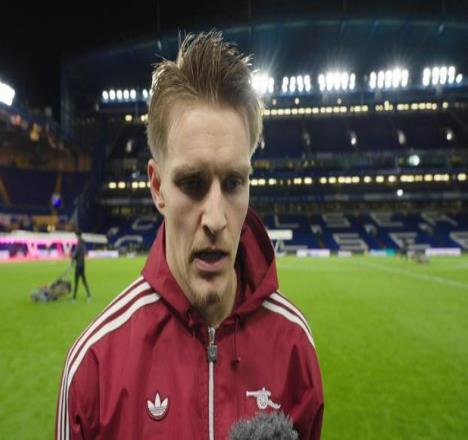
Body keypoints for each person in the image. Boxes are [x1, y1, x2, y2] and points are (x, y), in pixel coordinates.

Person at [56, 31, 323, 440]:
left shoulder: (294, 346)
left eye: (233, 183)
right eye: (192, 183)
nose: (215, 219)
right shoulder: (94, 365)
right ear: (157, 187)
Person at [71, 231, 92, 302]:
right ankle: (89, 296)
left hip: (78, 265)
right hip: (82, 265)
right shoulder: (83, 243)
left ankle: (74, 298)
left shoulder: (79, 243)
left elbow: (76, 253)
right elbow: (83, 253)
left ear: (77, 235)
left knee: (76, 282)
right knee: (84, 281)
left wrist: (72, 257)